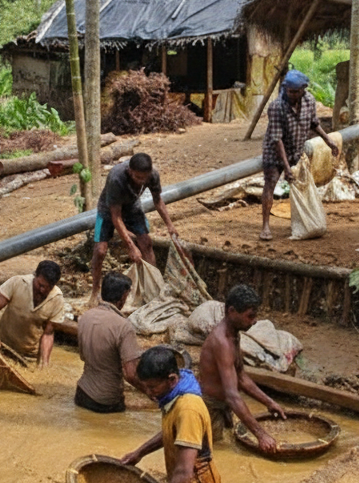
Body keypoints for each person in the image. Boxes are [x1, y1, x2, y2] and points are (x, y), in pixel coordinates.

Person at [121, 346, 221, 483]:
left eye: (152, 387)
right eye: (145, 387)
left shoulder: (188, 409)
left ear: (172, 379)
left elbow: (184, 473)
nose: (149, 393)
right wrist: (140, 452)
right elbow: (173, 431)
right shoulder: (174, 396)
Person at [198, 284, 287, 453]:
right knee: (212, 451)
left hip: (222, 404)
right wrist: (261, 435)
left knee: (225, 443)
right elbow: (232, 396)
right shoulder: (222, 342)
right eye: (250, 316)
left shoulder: (234, 335)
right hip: (209, 407)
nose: (253, 322)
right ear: (232, 311)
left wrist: (269, 402)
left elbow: (241, 377)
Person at [260, 70, 340, 241]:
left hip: (297, 149)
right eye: (289, 91)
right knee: (270, 183)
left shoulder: (309, 101)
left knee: (302, 184)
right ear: (285, 89)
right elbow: (276, 139)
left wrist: (328, 140)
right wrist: (287, 169)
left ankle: (305, 221)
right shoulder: (276, 106)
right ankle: (265, 225)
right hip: (275, 151)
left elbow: (314, 124)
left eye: (296, 91)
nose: (292, 94)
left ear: (303, 89)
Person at [90, 153, 178, 305]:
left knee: (146, 243)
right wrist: (130, 245)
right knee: (100, 251)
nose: (141, 182)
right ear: (130, 171)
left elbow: (158, 201)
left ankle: (153, 288)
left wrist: (170, 225)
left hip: (132, 206)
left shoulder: (152, 175)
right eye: (138, 178)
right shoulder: (116, 178)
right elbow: (116, 216)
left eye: (144, 178)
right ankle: (95, 289)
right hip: (108, 209)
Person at [75, 271, 143, 413]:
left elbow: (83, 357)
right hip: (106, 402)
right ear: (123, 297)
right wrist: (151, 392)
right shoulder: (124, 327)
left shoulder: (84, 317)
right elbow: (130, 374)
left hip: (81, 394)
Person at [0, 260, 66, 366]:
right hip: (3, 348)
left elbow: (48, 333)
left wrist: (45, 362)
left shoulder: (57, 299)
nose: (43, 290)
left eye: (48, 288)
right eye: (40, 285)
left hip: (30, 357)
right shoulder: (17, 283)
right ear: (35, 276)